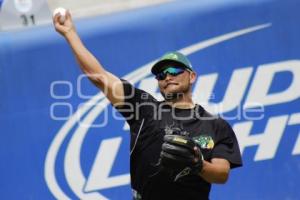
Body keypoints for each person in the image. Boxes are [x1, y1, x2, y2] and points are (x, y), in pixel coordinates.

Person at [53, 11, 242, 200]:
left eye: (174, 70)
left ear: (192, 76)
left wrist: (198, 164)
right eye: (161, 75)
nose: (167, 77)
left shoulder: (215, 124)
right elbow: (99, 77)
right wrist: (70, 34)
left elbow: (222, 174)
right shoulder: (144, 109)